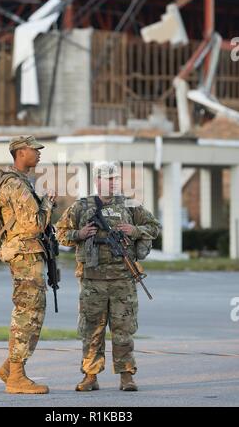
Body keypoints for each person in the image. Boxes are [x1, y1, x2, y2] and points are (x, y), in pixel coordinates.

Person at [56, 162, 160, 392]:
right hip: (92, 281)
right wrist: (79, 234)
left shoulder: (130, 205)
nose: (113, 183)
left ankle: (126, 375)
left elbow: (154, 227)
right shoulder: (81, 207)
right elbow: (59, 233)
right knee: (91, 330)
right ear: (97, 181)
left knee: (123, 330)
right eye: (108, 179)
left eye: (116, 179)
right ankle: (90, 376)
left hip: (123, 279)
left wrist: (135, 231)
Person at [0, 135, 56, 394]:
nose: (39, 153)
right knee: (27, 313)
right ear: (20, 152)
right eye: (35, 149)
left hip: (26, 254)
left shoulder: (17, 182)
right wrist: (48, 203)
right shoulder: (16, 185)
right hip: (25, 254)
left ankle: (11, 367)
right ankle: (16, 377)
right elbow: (35, 224)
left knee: (33, 311)